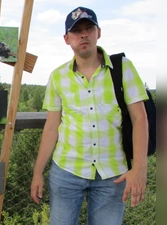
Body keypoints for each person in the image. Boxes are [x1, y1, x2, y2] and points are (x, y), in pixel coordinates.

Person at [30, 6, 148, 225]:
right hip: (66, 170)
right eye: (76, 31)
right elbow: (51, 127)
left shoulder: (123, 69)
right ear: (67, 39)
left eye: (88, 28)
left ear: (98, 33)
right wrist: (38, 172)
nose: (83, 34)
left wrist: (140, 168)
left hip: (113, 174)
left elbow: (140, 118)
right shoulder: (57, 77)